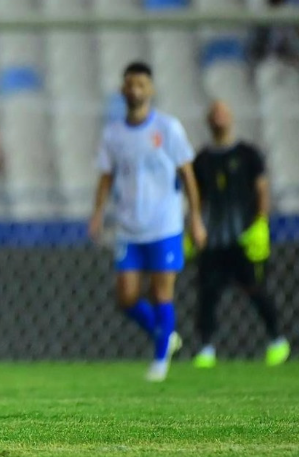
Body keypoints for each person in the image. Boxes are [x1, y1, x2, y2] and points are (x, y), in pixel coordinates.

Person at [88, 62, 207, 382]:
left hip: (165, 225)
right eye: (129, 84)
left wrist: (195, 218)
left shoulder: (168, 128)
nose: (134, 89)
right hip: (129, 227)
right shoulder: (113, 134)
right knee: (126, 297)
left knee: (161, 293)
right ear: (122, 89)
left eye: (140, 84)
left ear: (151, 89)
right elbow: (105, 176)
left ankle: (159, 361)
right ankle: (164, 334)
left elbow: (187, 174)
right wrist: (97, 213)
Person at [190, 100, 290, 368]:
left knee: (256, 288)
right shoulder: (202, 160)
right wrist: (194, 225)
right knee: (207, 294)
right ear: (208, 120)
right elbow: (196, 198)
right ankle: (206, 347)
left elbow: (262, 189)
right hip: (213, 240)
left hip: (244, 238)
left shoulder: (248, 154)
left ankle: (276, 339)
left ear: (231, 117)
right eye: (214, 113)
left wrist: (260, 224)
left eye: (223, 112)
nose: (218, 117)